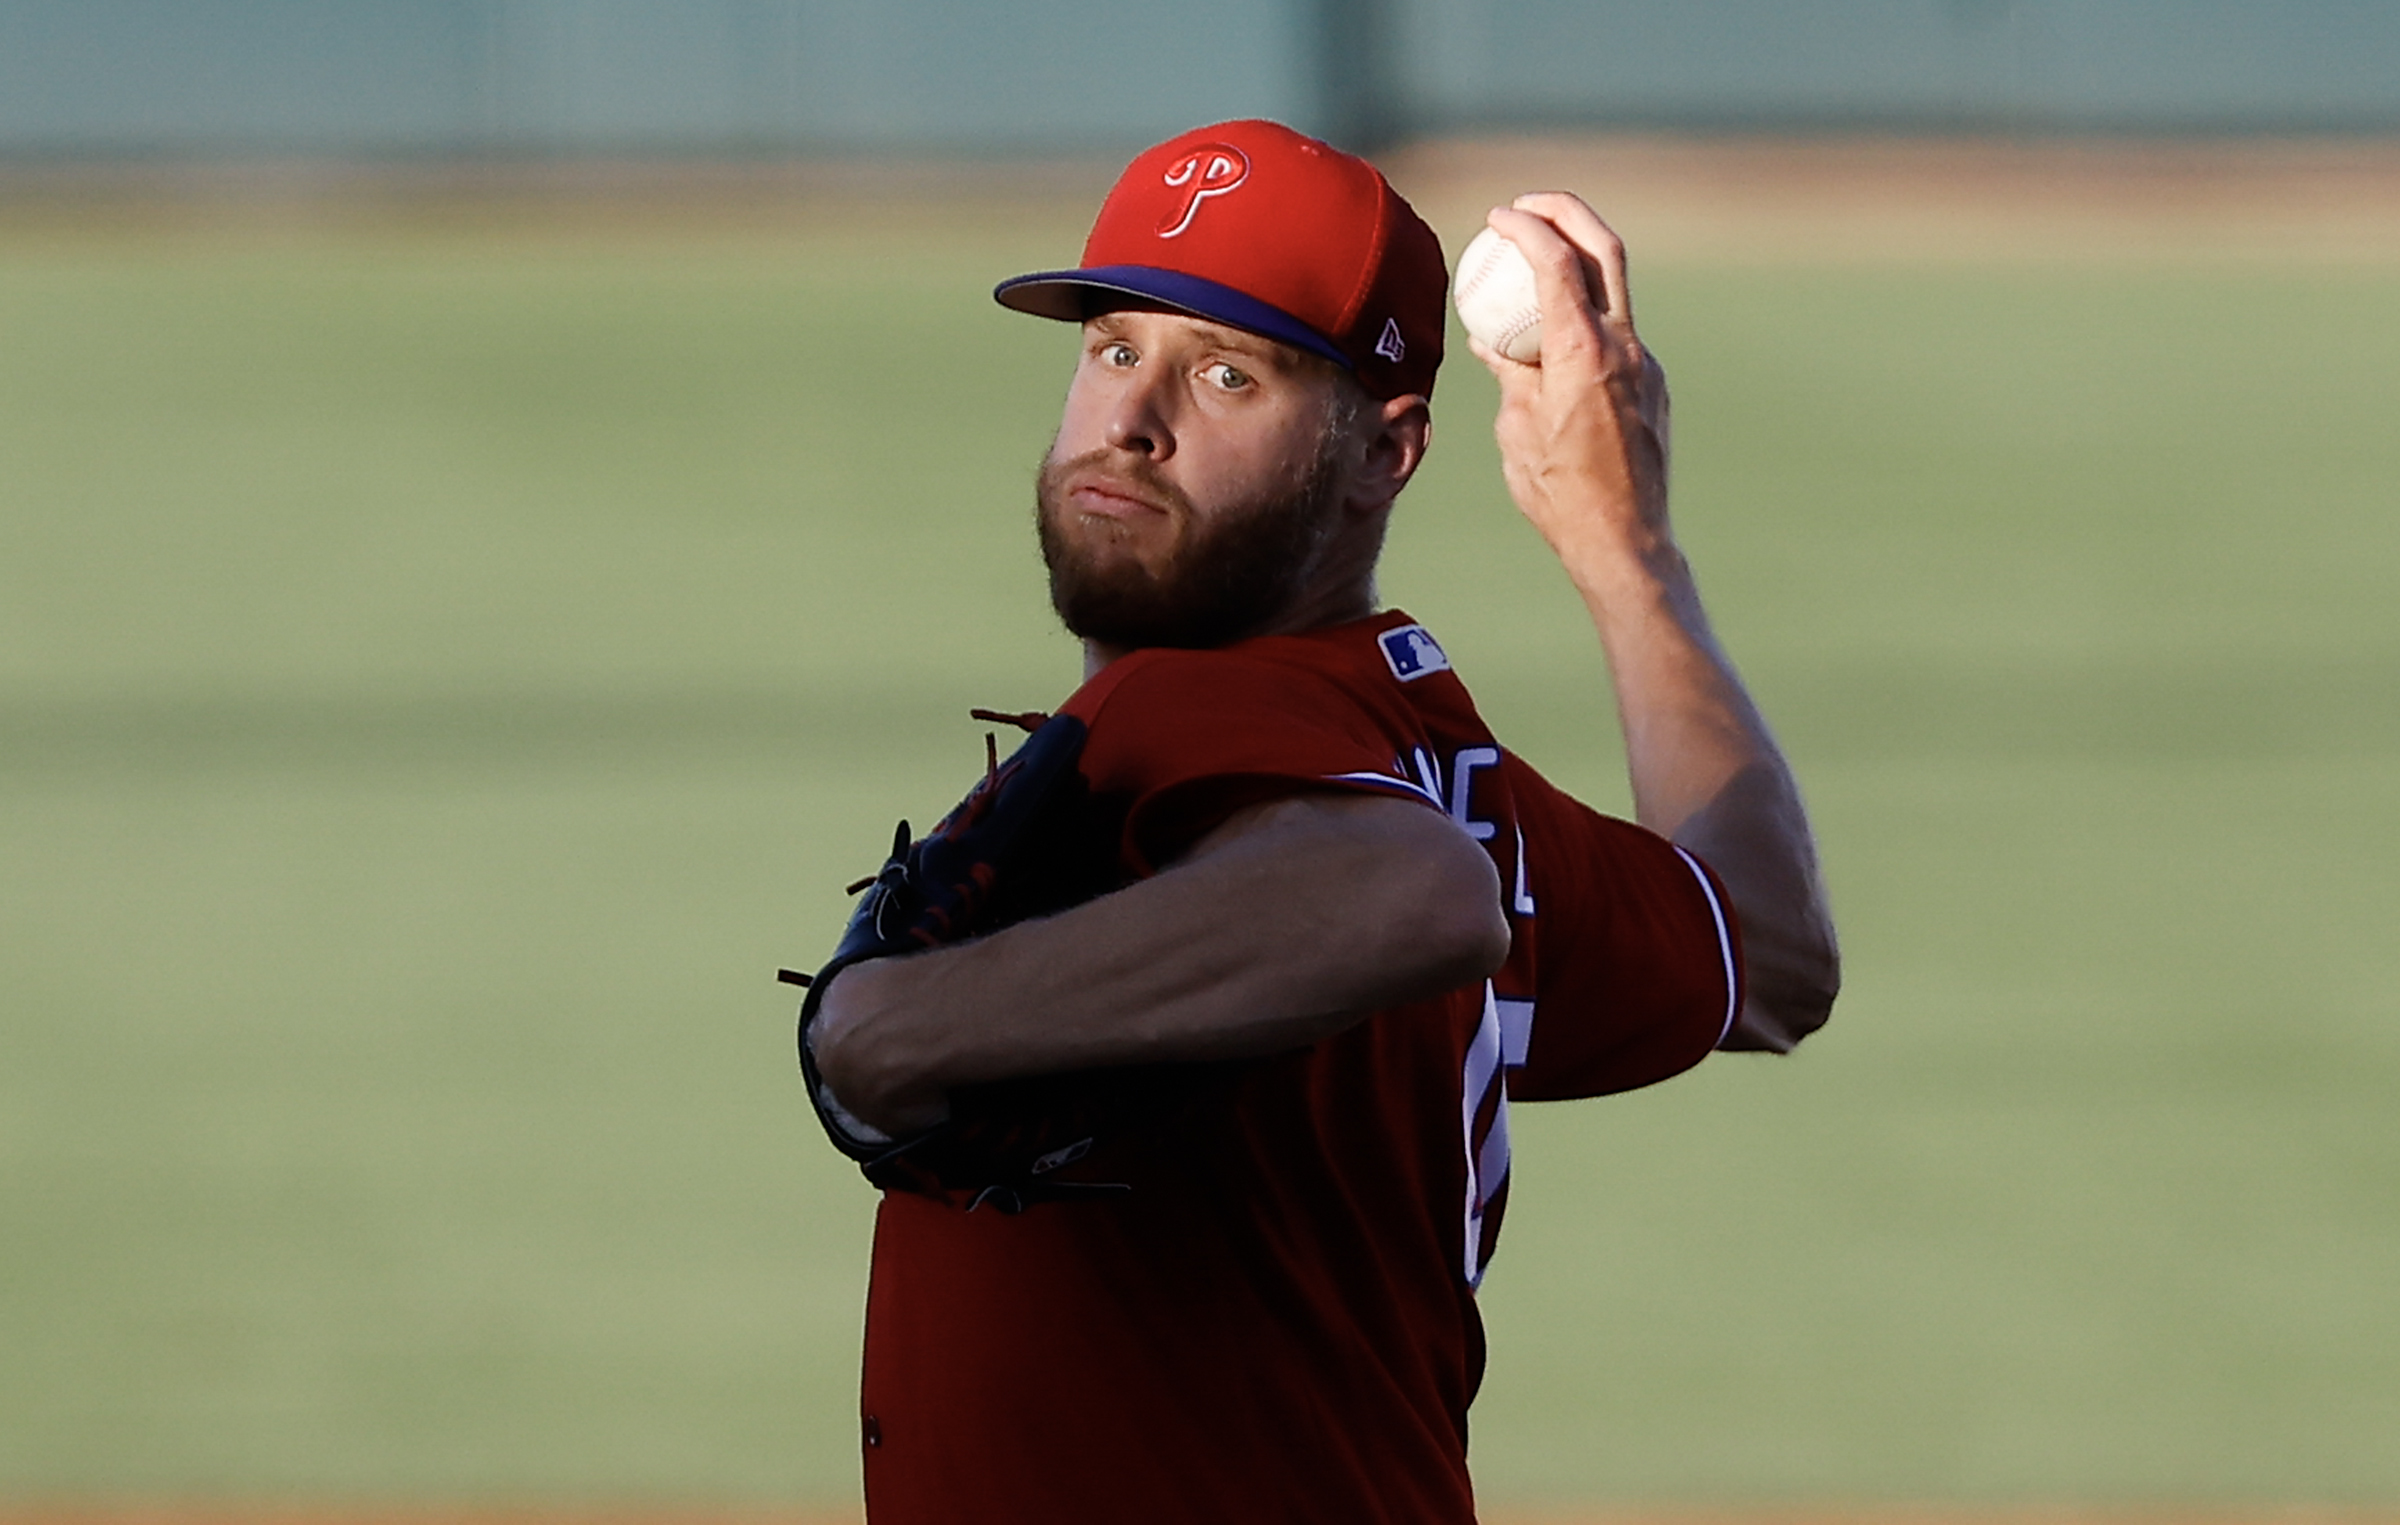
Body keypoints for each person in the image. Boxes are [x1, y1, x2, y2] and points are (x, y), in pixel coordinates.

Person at [805, 118, 1839, 1524]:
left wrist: (892, 1029)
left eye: (1228, 373)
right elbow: (1768, 948)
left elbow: (1405, 892)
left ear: (1383, 455)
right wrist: (1622, 548)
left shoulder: (1183, 722)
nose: (1133, 420)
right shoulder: (1422, 749)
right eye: (1115, 347)